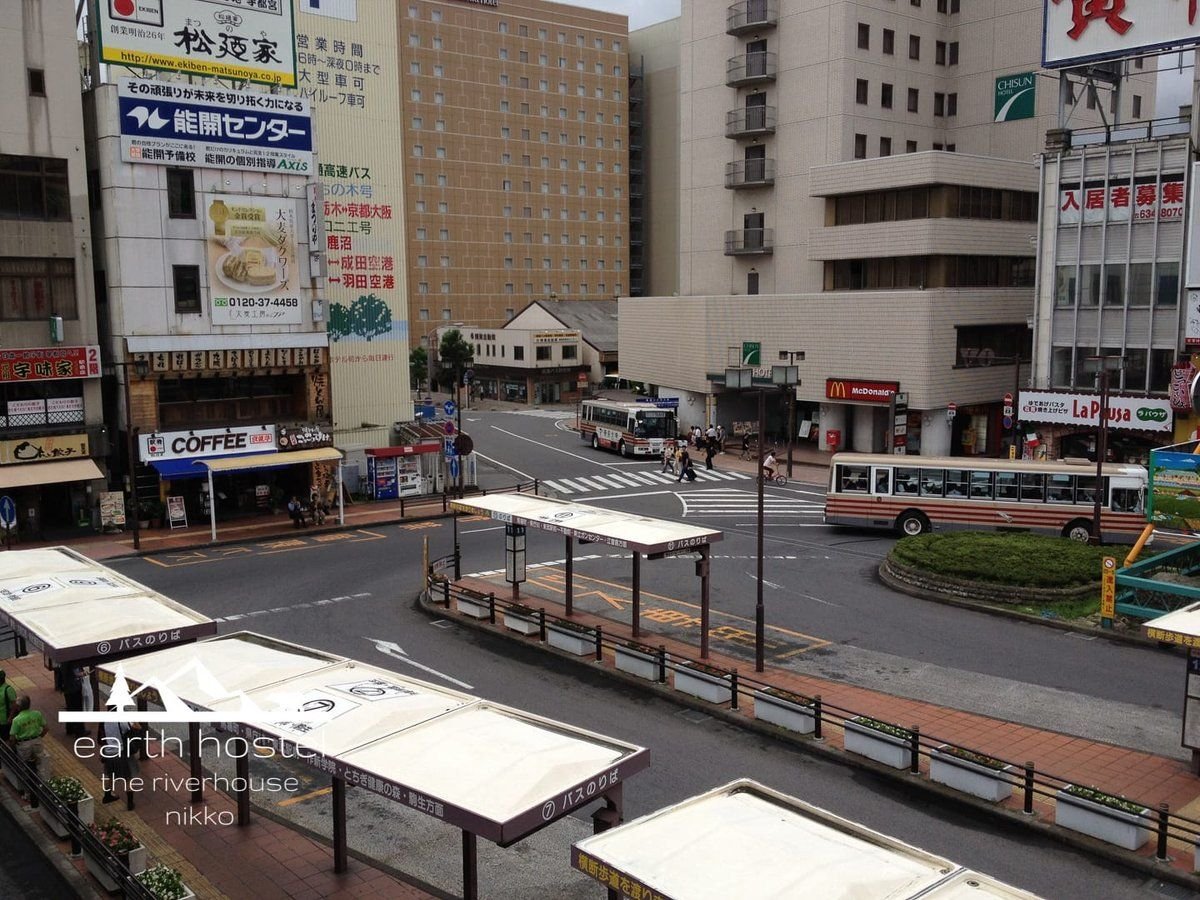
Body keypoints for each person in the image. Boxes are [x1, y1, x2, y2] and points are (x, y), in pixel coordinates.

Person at [8, 695, 48, 804]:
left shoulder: (17, 720)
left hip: (23, 745)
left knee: (25, 768)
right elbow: (46, 728)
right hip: (37, 742)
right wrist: (39, 737)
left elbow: (12, 737)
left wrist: (15, 745)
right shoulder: (37, 714)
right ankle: (45, 791)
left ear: (19, 707)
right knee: (41, 766)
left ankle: (27, 793)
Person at [0, 670, 16, 742]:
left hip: (5, 721)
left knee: (6, 739)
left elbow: (14, 705)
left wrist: (10, 717)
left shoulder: (8, 689)